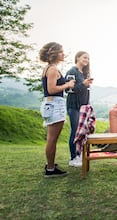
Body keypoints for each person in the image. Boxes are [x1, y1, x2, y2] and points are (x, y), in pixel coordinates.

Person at [39, 42, 75, 178]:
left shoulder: (49, 68)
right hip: (54, 104)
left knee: (51, 138)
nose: (63, 54)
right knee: (52, 139)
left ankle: (51, 163)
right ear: (54, 53)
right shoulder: (53, 69)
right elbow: (51, 89)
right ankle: (50, 169)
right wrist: (68, 84)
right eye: (61, 52)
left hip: (51, 104)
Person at [65, 51, 93, 167]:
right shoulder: (72, 72)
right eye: (84, 57)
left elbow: (83, 90)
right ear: (77, 58)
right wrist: (84, 84)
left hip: (83, 107)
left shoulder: (84, 73)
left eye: (88, 58)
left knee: (82, 132)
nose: (86, 60)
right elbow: (68, 89)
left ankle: (79, 153)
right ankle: (73, 157)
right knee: (75, 131)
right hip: (74, 106)